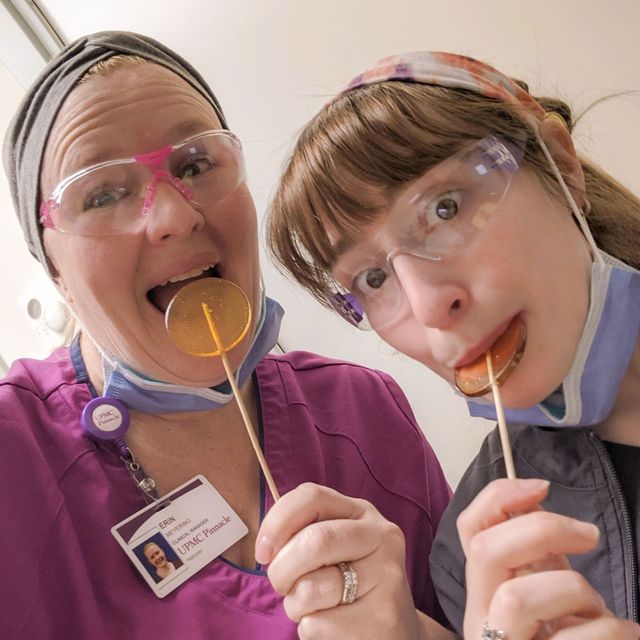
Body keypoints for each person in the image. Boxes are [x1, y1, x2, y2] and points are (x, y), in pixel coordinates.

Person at [1, 34, 453, 639]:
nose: (175, 216)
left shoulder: (365, 410)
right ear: (53, 266)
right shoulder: (15, 463)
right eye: (103, 194)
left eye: (194, 165)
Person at [267, 51, 640, 639]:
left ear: (561, 164)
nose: (428, 306)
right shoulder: (472, 551)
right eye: (372, 279)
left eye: (444, 208)